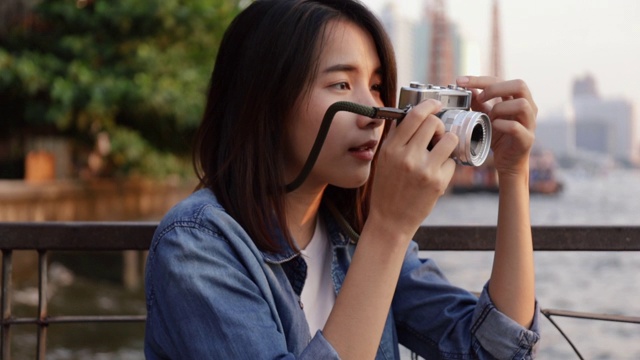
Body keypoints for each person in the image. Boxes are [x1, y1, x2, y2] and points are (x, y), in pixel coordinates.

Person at [143, 0, 540, 359]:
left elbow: (491, 352)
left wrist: (512, 173)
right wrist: (389, 227)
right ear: (265, 102)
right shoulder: (197, 245)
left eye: (377, 85)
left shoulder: (351, 235)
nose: (375, 111)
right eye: (341, 84)